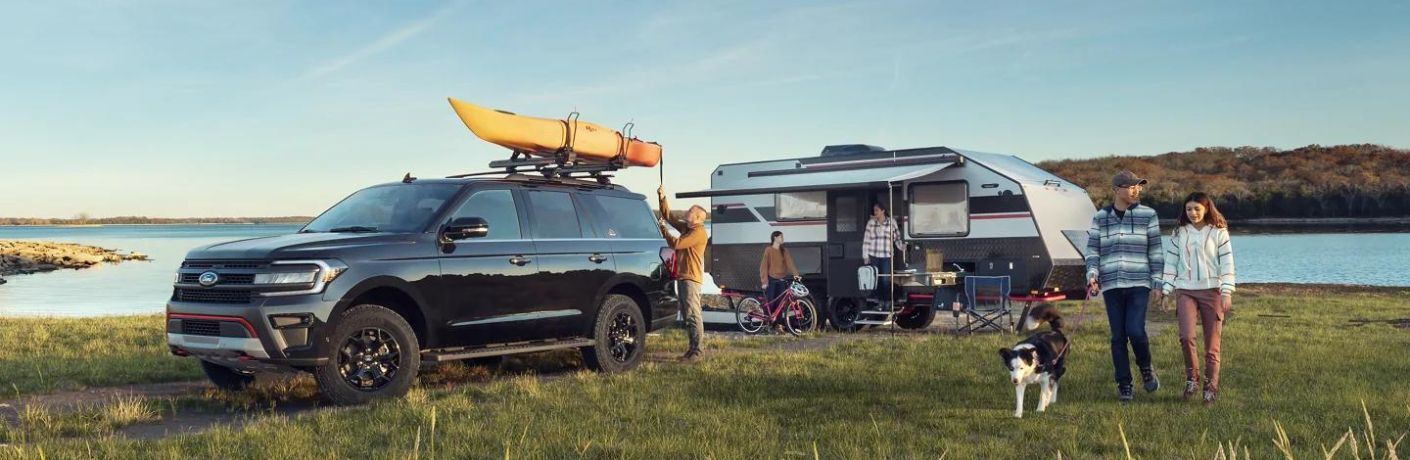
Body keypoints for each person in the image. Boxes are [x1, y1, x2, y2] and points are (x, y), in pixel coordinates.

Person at [1085, 170, 1165, 402]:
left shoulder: (1148, 215)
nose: (1136, 190)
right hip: (1111, 285)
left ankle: (1146, 367)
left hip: (1139, 282)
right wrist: (1092, 274)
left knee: (1135, 331)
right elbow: (1093, 251)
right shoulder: (1101, 217)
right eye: (1130, 187)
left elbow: (1156, 252)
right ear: (1117, 189)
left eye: (1138, 187)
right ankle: (1125, 385)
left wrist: (1158, 282)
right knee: (1117, 337)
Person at [1161, 192, 1236, 405]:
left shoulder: (1219, 232)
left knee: (1212, 346)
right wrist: (1166, 290)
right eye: (1188, 209)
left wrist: (1226, 291)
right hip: (1185, 290)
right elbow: (1170, 263)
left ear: (1206, 209)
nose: (1193, 213)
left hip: (1212, 291)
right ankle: (1192, 379)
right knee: (1186, 337)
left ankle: (1210, 388)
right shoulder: (1179, 233)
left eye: (1197, 209)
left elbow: (1228, 263)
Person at [657, 185, 710, 362]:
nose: (686, 212)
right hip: (684, 276)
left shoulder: (699, 233)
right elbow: (669, 216)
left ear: (697, 218)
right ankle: (692, 350)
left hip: (691, 278)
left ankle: (698, 352)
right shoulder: (688, 228)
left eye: (689, 211)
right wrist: (662, 197)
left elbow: (677, 244)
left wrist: (663, 230)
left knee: (693, 314)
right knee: (688, 314)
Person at [863, 202, 904, 307]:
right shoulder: (871, 223)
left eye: (877, 210)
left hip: (887, 255)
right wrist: (865, 256)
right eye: (874, 210)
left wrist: (902, 247)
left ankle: (887, 301)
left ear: (883, 211)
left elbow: (897, 238)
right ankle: (879, 302)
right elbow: (866, 240)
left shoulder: (892, 222)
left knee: (885, 280)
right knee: (875, 279)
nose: (875, 212)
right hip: (874, 255)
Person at [759, 230, 801, 328]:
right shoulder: (768, 250)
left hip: (782, 280)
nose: (783, 239)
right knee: (771, 303)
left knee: (780, 304)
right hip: (772, 280)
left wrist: (796, 275)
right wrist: (764, 281)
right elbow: (763, 266)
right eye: (781, 237)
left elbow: (790, 263)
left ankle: (777, 325)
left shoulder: (784, 251)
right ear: (775, 238)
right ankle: (767, 324)